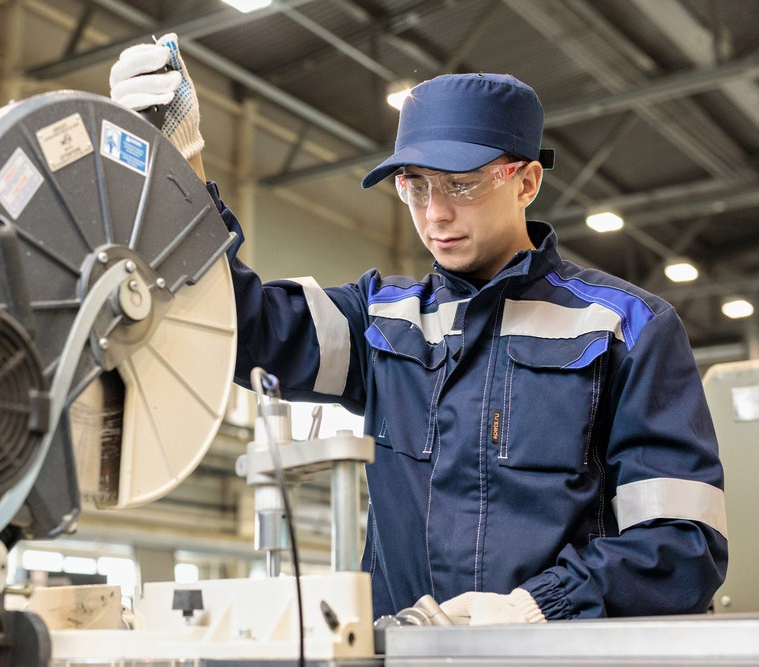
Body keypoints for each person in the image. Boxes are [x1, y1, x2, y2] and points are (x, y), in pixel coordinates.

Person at [109, 34, 728, 624]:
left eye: (461, 184)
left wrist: (540, 607)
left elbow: (684, 544)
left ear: (527, 182)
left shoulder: (626, 328)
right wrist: (176, 176)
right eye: (416, 186)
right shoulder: (381, 322)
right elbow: (243, 329)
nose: (435, 214)